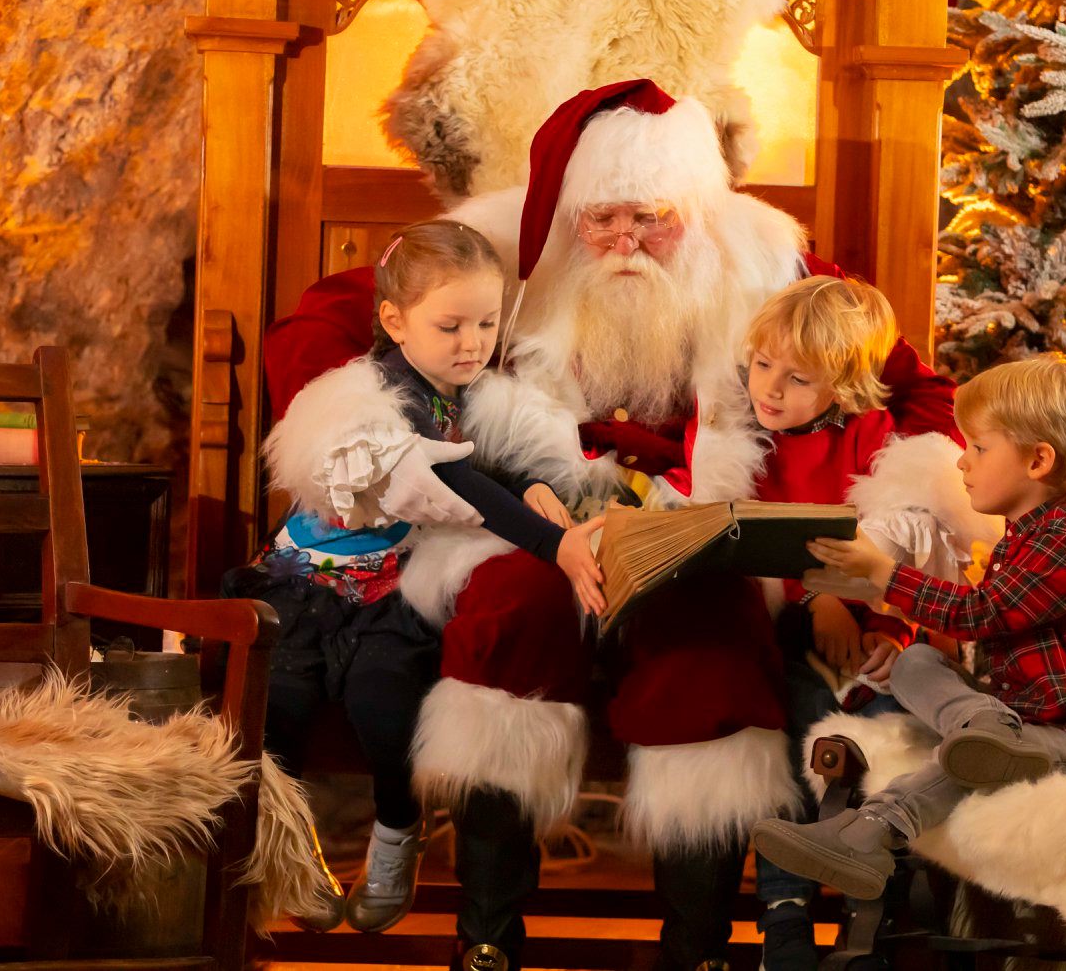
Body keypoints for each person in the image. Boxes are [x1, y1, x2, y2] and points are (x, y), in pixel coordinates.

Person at [266, 79, 964, 971]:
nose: (625, 242)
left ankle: (697, 949)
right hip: (525, 516)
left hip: (694, 526)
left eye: (653, 219)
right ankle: (487, 939)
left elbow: (909, 386)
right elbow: (318, 326)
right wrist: (366, 429)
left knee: (711, 651)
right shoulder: (501, 244)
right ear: (568, 210)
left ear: (696, 211)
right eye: (602, 220)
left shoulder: (763, 260)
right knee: (510, 619)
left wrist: (883, 530)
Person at [229, 220, 604, 935]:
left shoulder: (476, 394)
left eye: (487, 323)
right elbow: (456, 475)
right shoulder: (379, 393)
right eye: (450, 325)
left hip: (388, 593)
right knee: (281, 703)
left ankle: (397, 832)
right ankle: (290, 849)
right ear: (395, 322)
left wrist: (527, 483)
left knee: (386, 706)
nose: (472, 343)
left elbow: (490, 458)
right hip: (308, 581)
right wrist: (554, 545)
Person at [751, 356, 1066, 901]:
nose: (963, 463)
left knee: (963, 756)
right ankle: (984, 727)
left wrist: (886, 575)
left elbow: (981, 615)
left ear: (1037, 461)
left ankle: (868, 833)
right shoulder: (1023, 536)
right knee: (916, 662)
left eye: (980, 449)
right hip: (1026, 723)